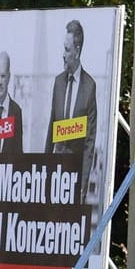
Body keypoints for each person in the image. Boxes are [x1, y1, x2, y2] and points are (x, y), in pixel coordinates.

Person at [46, 18, 99, 190]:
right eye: (63, 48)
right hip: (54, 172)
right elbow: (51, 128)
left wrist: (83, 185)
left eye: (67, 50)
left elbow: (89, 142)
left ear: (77, 51)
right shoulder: (58, 82)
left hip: (75, 176)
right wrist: (43, 169)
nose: (63, 54)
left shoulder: (89, 87)